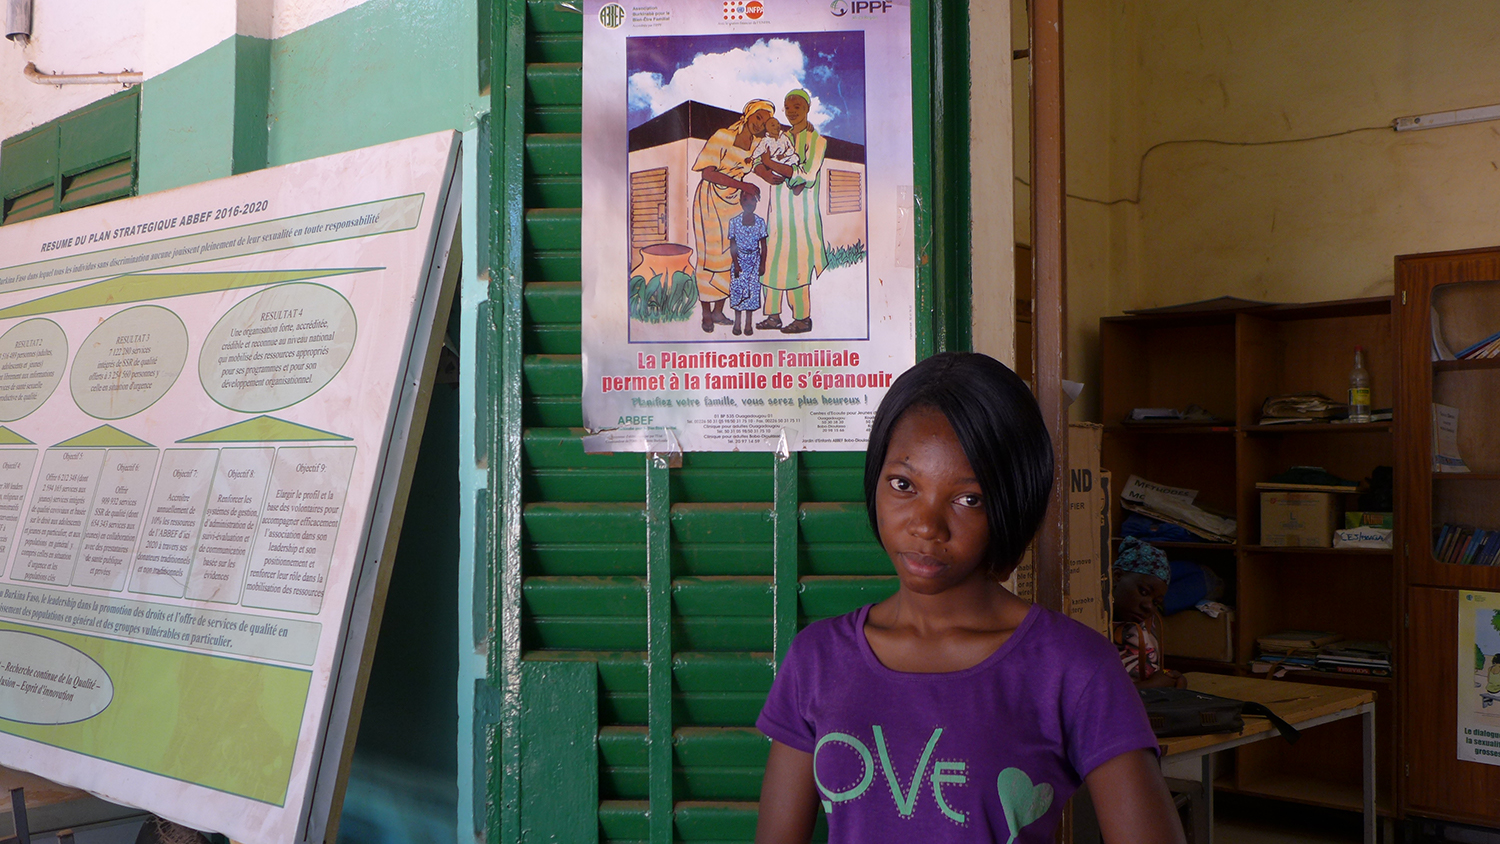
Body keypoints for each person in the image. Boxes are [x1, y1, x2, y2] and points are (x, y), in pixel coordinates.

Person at [754, 353, 1185, 844]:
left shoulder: (1075, 667)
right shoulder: (817, 658)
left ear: (1011, 501)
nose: (926, 525)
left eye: (968, 498)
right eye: (903, 485)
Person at [691, 99, 778, 334]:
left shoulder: (758, 143)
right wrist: (743, 184)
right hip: (710, 202)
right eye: (757, 117)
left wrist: (774, 179)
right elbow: (707, 174)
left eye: (764, 120)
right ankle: (706, 315)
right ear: (747, 116)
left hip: (735, 202)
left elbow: (758, 166)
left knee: (731, 257)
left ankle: (719, 311)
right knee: (710, 257)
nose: (760, 124)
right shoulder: (723, 136)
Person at [758, 89, 827, 335]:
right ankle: (773, 316)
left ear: (807, 108)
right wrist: (763, 171)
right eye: (787, 108)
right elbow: (757, 159)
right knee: (772, 262)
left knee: (797, 265)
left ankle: (801, 318)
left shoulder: (817, 141)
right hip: (777, 213)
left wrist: (772, 164)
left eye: (797, 106)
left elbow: (807, 175)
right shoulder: (778, 136)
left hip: (801, 216)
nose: (791, 111)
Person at [1111, 537, 1185, 689]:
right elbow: (1101, 695)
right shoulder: (1090, 626)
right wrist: (1151, 686)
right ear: (1117, 577)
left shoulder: (1145, 625)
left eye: (1156, 602)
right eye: (1143, 592)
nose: (1149, 607)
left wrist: (1170, 677)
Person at [727, 191, 768, 337]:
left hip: (754, 260)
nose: (749, 203)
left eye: (752, 200)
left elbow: (764, 245)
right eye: (745, 199)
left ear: (757, 202)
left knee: (751, 292)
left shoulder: (760, 222)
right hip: (739, 260)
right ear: (740, 201)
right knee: (738, 291)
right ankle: (737, 323)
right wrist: (736, 264)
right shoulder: (734, 222)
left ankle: (748, 324)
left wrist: (762, 264)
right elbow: (733, 245)